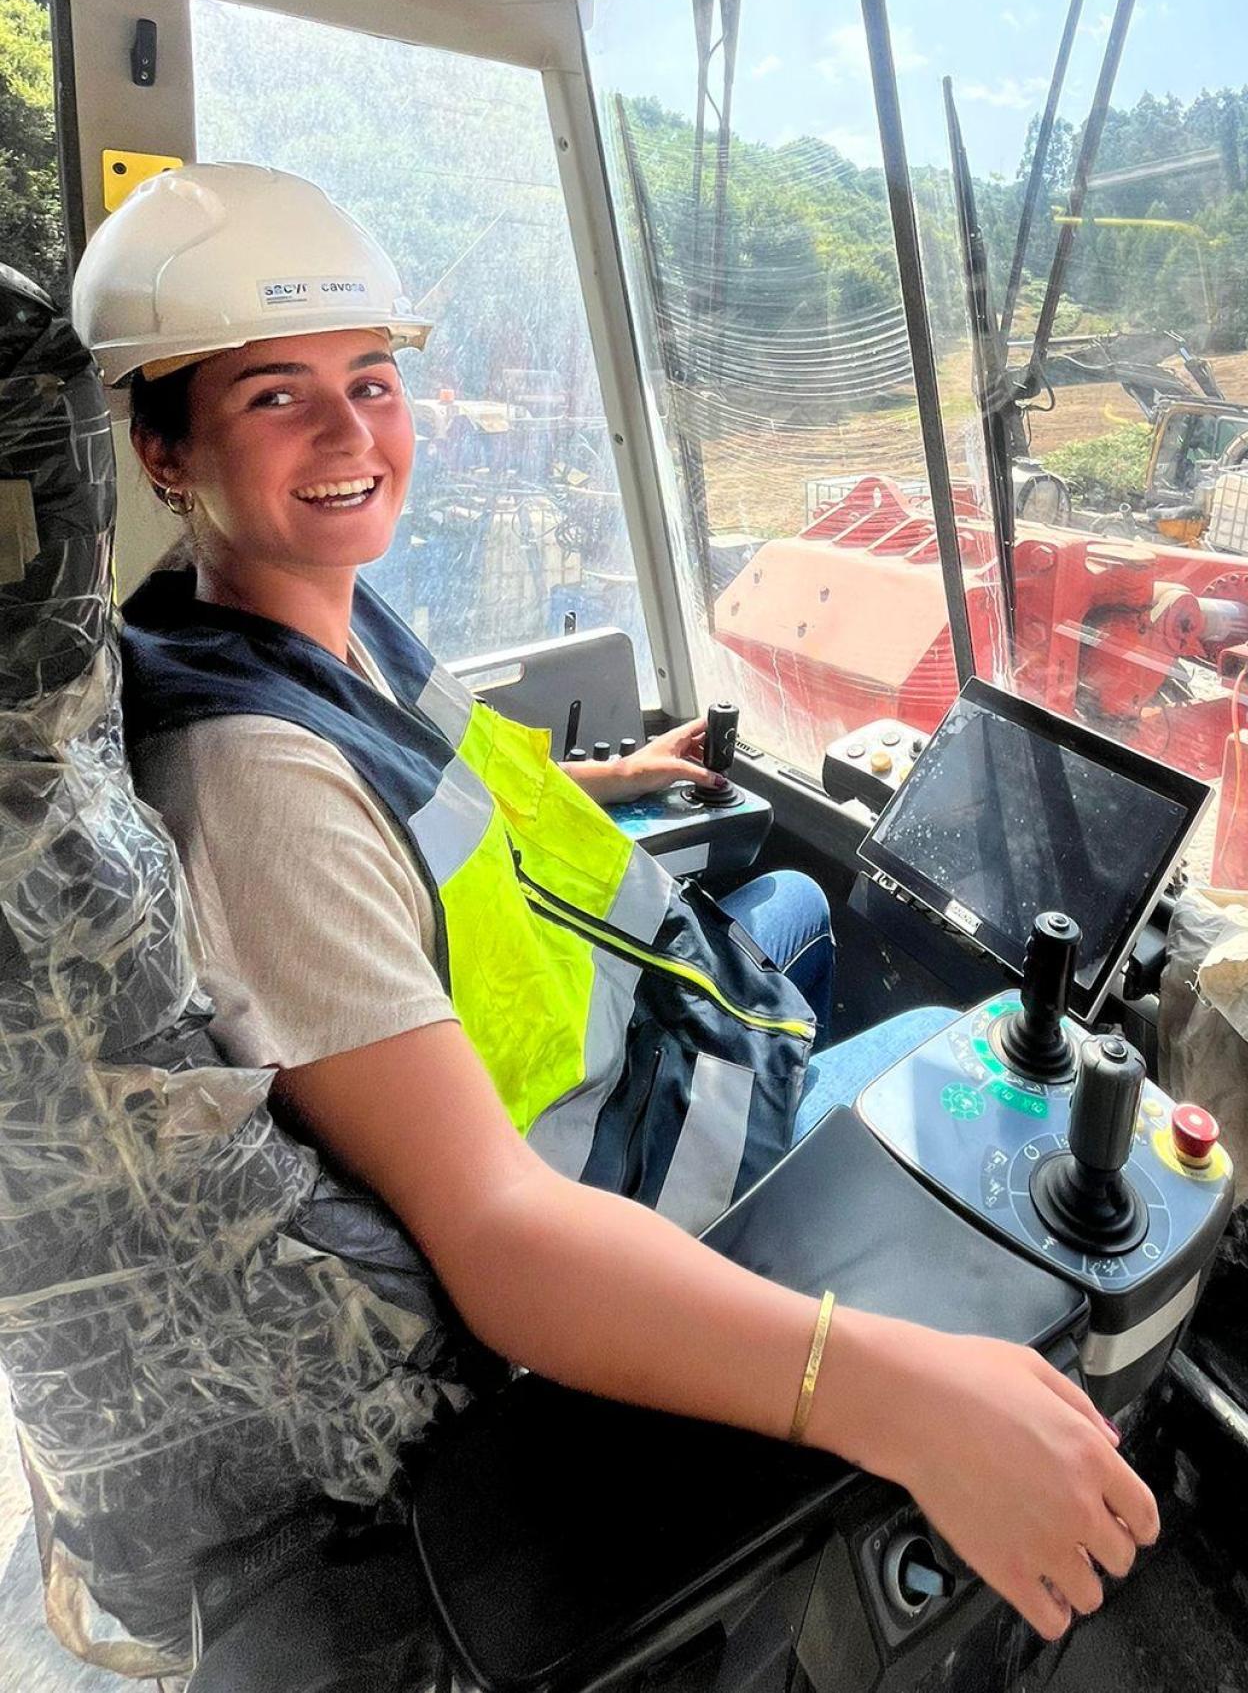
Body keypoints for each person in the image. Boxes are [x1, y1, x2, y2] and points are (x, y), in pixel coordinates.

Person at [73, 162, 1158, 1647]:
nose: (350, 434)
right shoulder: (253, 780)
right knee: (978, 1043)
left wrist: (619, 775)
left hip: (654, 1026)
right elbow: (501, 1236)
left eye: (373, 381)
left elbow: (453, 799)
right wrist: (903, 1394)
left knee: (784, 893)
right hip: (647, 1184)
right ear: (162, 446)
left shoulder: (288, 617)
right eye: (276, 397)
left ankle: (789, 1034)